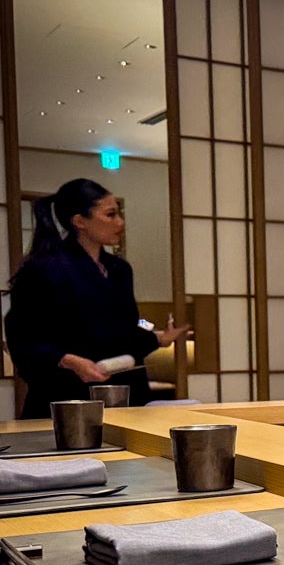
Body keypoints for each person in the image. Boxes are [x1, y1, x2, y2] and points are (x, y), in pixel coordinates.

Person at [5, 179, 189, 418]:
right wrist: (68, 360)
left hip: (124, 393)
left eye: (119, 214)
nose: (120, 222)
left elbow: (121, 333)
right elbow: (23, 338)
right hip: (67, 396)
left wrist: (159, 339)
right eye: (110, 215)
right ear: (79, 221)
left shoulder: (119, 269)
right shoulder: (43, 269)